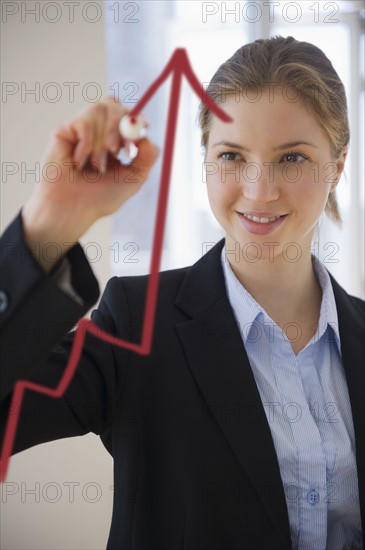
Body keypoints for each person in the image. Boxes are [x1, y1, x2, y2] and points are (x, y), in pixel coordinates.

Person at [0, 36, 364, 550]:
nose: (259, 190)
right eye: (232, 156)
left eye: (292, 159)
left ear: (338, 165)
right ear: (206, 161)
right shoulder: (134, 324)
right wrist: (49, 223)